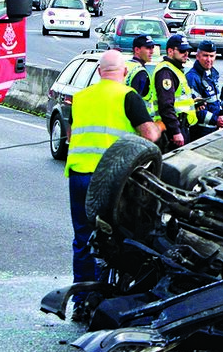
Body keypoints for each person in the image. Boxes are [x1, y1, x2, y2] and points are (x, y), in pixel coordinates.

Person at [64, 50, 158, 323]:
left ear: (98, 72)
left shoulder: (80, 98)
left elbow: (71, 134)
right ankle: (105, 300)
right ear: (125, 72)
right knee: (114, 238)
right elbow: (150, 135)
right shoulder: (128, 96)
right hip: (112, 180)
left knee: (83, 238)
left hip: (79, 175)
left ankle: (81, 301)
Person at [185, 40, 223, 142]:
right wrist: (216, 119)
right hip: (198, 132)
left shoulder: (212, 74)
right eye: (205, 55)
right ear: (197, 56)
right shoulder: (192, 78)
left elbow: (214, 103)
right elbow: (194, 109)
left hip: (212, 130)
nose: (209, 59)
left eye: (212, 56)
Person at [153, 35, 198, 149]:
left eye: (187, 50)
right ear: (170, 51)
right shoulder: (166, 72)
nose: (186, 53)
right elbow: (166, 105)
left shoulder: (175, 69)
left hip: (179, 126)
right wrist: (175, 131)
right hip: (172, 130)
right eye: (182, 50)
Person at [125, 34, 156, 116]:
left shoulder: (125, 65)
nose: (152, 51)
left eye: (152, 47)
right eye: (148, 48)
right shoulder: (140, 72)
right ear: (137, 50)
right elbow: (135, 103)